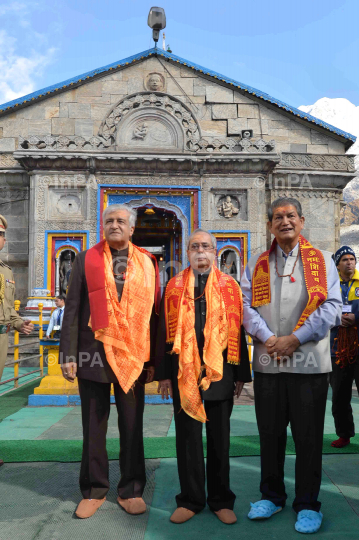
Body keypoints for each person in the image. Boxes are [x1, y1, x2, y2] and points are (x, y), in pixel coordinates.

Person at [241, 197, 342, 534]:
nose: (284, 221)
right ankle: (271, 495)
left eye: (290, 216)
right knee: (269, 435)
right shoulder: (257, 260)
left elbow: (331, 308)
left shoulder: (323, 260)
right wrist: (270, 338)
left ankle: (308, 503)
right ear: (270, 224)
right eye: (278, 217)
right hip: (269, 363)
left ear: (301, 221)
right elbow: (244, 306)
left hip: (309, 364)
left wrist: (295, 339)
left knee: (308, 438)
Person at [59, 204, 160, 519]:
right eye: (109, 221)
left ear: (132, 229)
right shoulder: (86, 259)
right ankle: (94, 490)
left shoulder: (147, 262)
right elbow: (73, 307)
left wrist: (154, 359)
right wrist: (68, 354)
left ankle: (131, 490)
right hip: (93, 355)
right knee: (93, 426)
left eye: (120, 221)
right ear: (103, 226)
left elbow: (155, 315)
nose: (114, 225)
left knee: (132, 426)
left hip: (133, 356)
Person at [156, 229, 251, 525]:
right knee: (187, 441)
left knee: (220, 441)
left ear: (215, 251)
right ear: (187, 251)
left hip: (220, 372)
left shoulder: (229, 287)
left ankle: (221, 500)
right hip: (183, 373)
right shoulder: (173, 286)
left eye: (206, 246)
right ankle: (190, 500)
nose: (201, 251)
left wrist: (240, 374)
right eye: (195, 246)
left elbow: (239, 329)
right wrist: (164, 376)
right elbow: (162, 333)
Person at [0, 214, 34, 467]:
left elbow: (8, 307)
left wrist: (19, 323)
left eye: (1, 234)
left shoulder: (6, 270)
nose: (0, 238)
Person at [330, 246, 359, 448]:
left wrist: (357, 317)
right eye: (345, 260)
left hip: (358, 348)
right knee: (340, 395)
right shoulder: (330, 286)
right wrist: (336, 317)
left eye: (352, 259)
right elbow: (321, 308)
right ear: (338, 264)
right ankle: (344, 434)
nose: (349, 262)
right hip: (337, 349)